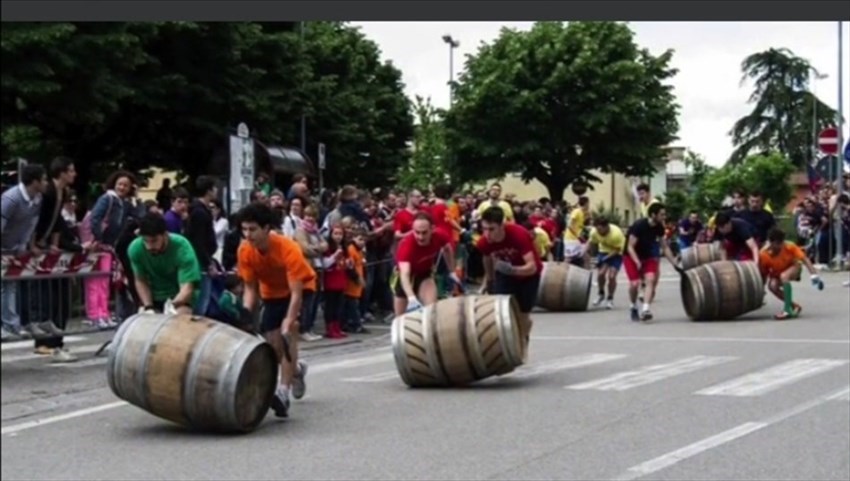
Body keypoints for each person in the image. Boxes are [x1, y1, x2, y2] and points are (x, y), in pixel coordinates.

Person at [237, 203, 313, 418]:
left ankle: (283, 392)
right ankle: (297, 370)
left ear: (266, 228)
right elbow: (250, 288)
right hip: (271, 294)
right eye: (244, 229)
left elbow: (296, 293)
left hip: (299, 290)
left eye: (253, 229)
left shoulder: (288, 248)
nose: (248, 235)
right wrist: (245, 313)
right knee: (273, 346)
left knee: (288, 333)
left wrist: (289, 320)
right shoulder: (245, 251)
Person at [476, 206, 542, 362]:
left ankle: (523, 340)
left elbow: (531, 266)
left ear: (502, 225)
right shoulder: (484, 242)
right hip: (505, 274)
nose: (487, 234)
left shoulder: (518, 234)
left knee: (523, 314)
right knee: (502, 311)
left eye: (491, 229)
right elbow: (486, 258)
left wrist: (512, 270)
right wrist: (489, 280)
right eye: (484, 229)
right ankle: (504, 347)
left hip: (528, 275)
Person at [128, 213, 202, 315]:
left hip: (180, 298)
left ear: (165, 235)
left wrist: (171, 306)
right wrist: (148, 306)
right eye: (145, 241)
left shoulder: (182, 248)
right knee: (143, 318)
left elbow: (187, 287)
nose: (149, 246)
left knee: (178, 317)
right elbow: (140, 280)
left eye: (154, 241)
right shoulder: (135, 249)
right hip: (154, 296)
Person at [624, 203, 680, 322]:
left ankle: (645, 309)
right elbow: (630, 247)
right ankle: (633, 306)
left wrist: (674, 263)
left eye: (664, 214)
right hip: (631, 256)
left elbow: (664, 247)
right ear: (653, 215)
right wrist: (637, 261)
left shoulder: (659, 227)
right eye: (662, 215)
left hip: (648, 256)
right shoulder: (639, 225)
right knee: (634, 284)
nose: (664, 217)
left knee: (650, 279)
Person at [393, 213, 456, 316]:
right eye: (417, 232)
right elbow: (404, 275)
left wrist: (452, 271)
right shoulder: (406, 245)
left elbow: (447, 249)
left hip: (424, 275)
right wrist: (411, 298)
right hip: (406, 278)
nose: (420, 237)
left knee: (432, 310)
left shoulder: (439, 235)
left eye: (424, 232)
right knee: (400, 318)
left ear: (432, 229)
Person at [759, 228, 823, 320]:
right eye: (777, 243)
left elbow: (805, 259)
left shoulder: (789, 246)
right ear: (771, 242)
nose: (780, 246)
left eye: (781, 243)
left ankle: (787, 309)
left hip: (793, 267)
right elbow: (763, 273)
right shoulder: (763, 254)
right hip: (776, 272)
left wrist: (814, 275)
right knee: (772, 286)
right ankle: (794, 306)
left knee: (784, 276)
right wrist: (761, 289)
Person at [588, 217, 626, 309]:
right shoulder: (594, 232)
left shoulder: (616, 234)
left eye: (600, 229)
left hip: (617, 253)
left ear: (606, 227)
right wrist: (594, 257)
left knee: (612, 276)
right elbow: (592, 244)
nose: (599, 232)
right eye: (597, 229)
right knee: (601, 274)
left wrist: (605, 258)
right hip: (603, 251)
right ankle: (601, 293)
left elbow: (617, 249)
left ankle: (610, 298)